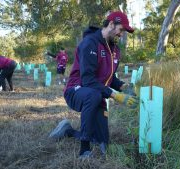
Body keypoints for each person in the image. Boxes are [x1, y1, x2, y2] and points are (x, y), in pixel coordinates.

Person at [49, 11, 138, 158]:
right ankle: (84, 149)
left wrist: (124, 87)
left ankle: (68, 131)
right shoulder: (90, 43)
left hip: (96, 94)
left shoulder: (115, 50)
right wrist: (116, 96)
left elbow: (110, 77)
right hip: (76, 90)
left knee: (102, 141)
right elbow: (88, 80)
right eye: (121, 29)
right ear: (111, 24)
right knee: (94, 95)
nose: (121, 34)